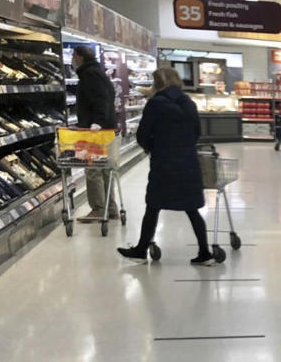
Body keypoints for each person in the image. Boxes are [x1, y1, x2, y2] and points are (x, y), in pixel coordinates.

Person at [117, 68, 214, 266]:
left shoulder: (155, 104)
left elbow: (143, 134)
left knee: (153, 206)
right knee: (192, 208)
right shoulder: (188, 103)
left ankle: (141, 250)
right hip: (188, 162)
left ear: (158, 83)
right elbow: (197, 132)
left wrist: (154, 148)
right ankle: (205, 252)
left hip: (164, 163)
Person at [72, 45, 118, 221]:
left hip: (96, 131)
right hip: (105, 129)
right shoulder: (97, 71)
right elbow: (109, 95)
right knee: (105, 170)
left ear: (80, 57)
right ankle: (111, 209)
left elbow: (102, 99)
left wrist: (96, 122)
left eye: (74, 56)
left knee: (93, 170)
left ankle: (99, 208)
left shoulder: (89, 74)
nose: (73, 60)